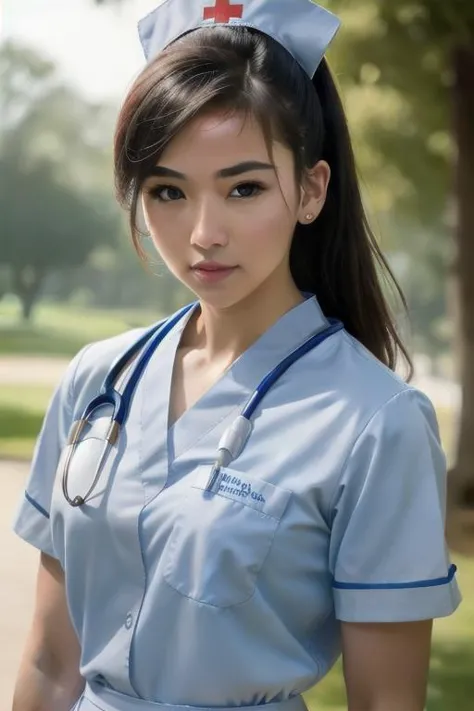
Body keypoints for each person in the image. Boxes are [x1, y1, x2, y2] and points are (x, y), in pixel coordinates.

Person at [12, 1, 461, 710]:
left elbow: (386, 702)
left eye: (243, 187)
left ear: (312, 189)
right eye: (168, 191)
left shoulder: (378, 422)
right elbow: (47, 663)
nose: (202, 233)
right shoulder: (97, 380)